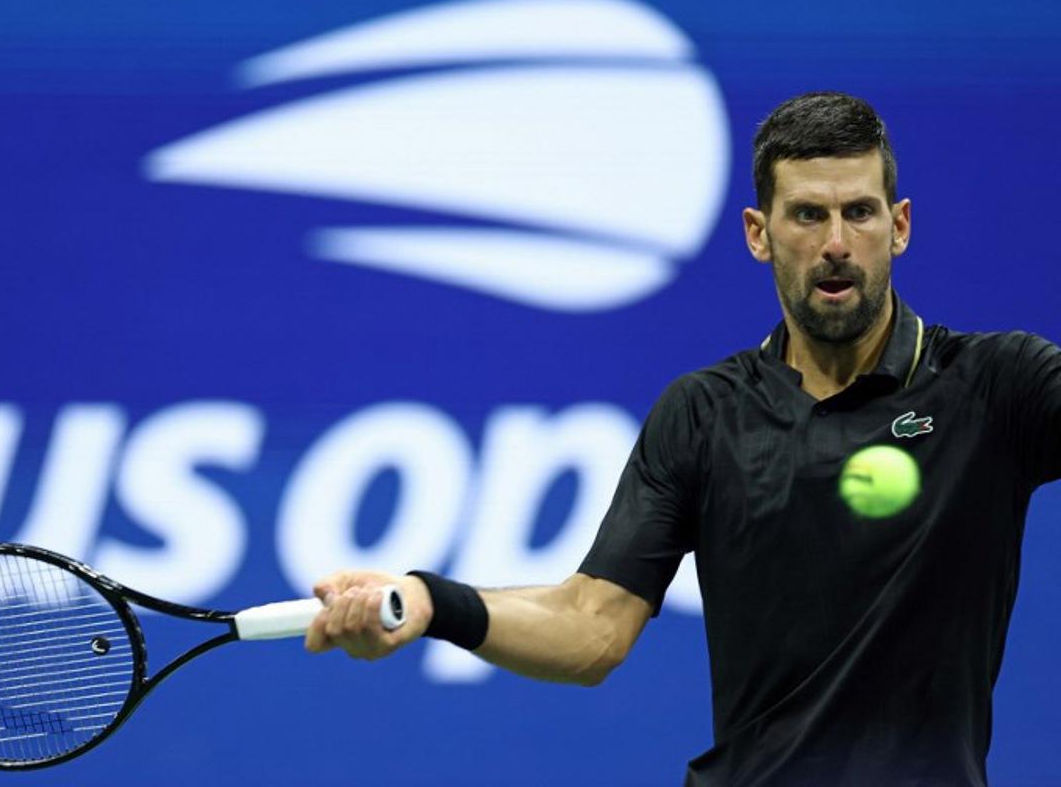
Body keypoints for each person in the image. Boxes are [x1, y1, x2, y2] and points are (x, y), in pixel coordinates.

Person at [303, 92, 1061, 785]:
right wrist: (431, 602)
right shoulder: (704, 414)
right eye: (807, 216)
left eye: (859, 213)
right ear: (759, 234)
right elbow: (590, 629)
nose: (836, 242)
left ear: (898, 226)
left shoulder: (997, 387)